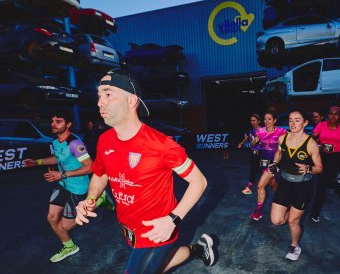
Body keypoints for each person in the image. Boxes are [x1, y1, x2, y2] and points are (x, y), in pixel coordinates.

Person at [74, 68, 216, 273]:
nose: (99, 103)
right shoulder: (105, 140)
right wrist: (90, 199)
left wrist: (173, 220)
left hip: (157, 231)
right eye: (99, 96)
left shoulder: (162, 144)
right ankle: (199, 249)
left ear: (131, 101)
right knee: (156, 267)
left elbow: (199, 181)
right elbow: (100, 173)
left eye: (107, 94)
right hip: (128, 227)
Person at [22, 110, 113, 262]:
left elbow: (90, 167)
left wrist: (62, 175)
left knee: (66, 227)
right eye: (52, 121)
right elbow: (57, 159)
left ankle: (100, 200)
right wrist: (37, 162)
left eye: (58, 121)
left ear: (68, 124)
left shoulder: (75, 144)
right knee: (51, 217)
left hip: (78, 187)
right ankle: (70, 247)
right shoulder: (56, 142)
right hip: (63, 184)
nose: (53, 124)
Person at [269, 110, 322, 261]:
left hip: (303, 186)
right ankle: (292, 215)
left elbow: (320, 168)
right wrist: (275, 163)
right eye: (290, 120)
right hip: (285, 183)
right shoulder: (282, 139)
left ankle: (294, 245)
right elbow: (279, 153)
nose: (292, 123)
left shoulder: (311, 144)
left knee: (293, 221)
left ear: (305, 123)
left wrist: (308, 168)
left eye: (297, 120)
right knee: (276, 220)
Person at [310, 106, 340, 223]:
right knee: (322, 182)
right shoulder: (321, 125)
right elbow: (312, 138)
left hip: (334, 158)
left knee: (321, 185)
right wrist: (318, 145)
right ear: (327, 115)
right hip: (321, 156)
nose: (333, 116)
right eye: (331, 114)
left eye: (336, 114)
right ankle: (336, 185)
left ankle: (315, 213)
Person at [250, 109, 287, 221]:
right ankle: (282, 197)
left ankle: (258, 211)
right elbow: (252, 145)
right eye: (265, 119)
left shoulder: (282, 131)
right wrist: (254, 142)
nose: (266, 121)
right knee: (271, 183)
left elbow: (283, 148)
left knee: (260, 186)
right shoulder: (260, 131)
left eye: (269, 119)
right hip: (263, 162)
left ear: (275, 120)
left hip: (276, 161)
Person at [238, 113, 262, 195]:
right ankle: (249, 187)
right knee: (253, 170)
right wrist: (241, 143)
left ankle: (271, 184)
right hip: (252, 153)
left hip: (261, 154)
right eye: (251, 121)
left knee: (262, 170)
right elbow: (246, 138)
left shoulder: (262, 130)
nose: (252, 122)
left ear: (258, 121)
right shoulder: (250, 130)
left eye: (254, 120)